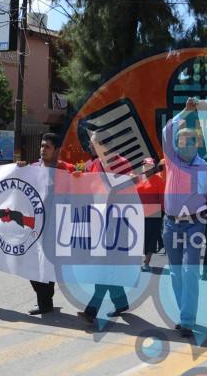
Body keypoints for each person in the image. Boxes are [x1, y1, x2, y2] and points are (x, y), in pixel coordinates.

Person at [161, 97, 207, 338]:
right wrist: (185, 111)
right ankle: (185, 313)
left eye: (188, 142)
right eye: (180, 141)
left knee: (190, 270)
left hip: (195, 224)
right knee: (175, 272)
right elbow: (167, 130)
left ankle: (186, 320)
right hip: (171, 224)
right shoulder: (172, 161)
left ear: (197, 145)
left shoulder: (204, 168)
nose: (183, 145)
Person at [17, 133, 74, 315]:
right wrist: (17, 169)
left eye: (47, 146)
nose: (42, 150)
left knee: (49, 264)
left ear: (57, 150)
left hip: (58, 225)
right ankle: (45, 296)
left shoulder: (67, 170)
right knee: (30, 262)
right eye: (41, 146)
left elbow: (86, 186)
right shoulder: (32, 168)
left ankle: (44, 302)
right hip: (35, 225)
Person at [79, 132, 131, 323]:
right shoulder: (92, 164)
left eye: (93, 143)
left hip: (116, 223)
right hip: (97, 221)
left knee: (104, 267)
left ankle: (92, 309)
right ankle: (121, 302)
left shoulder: (122, 163)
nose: (91, 147)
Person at [135, 157, 165, 272]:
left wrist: (163, 211)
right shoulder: (138, 179)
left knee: (151, 238)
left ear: (153, 167)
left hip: (154, 213)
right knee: (139, 238)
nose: (147, 168)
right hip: (138, 213)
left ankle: (146, 262)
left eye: (149, 166)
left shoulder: (158, 180)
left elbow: (162, 199)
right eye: (145, 166)